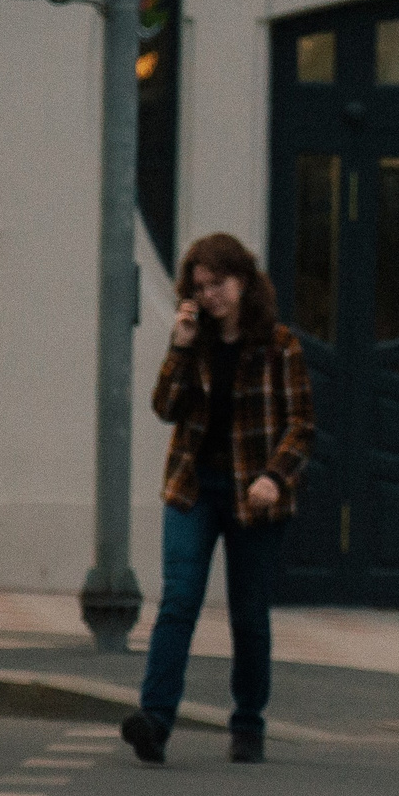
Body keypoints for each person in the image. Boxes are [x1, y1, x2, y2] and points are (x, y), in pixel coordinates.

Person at [121, 233, 315, 766]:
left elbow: (302, 426)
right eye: (200, 287)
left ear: (244, 281)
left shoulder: (280, 346)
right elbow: (165, 407)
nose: (210, 296)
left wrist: (275, 476)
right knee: (179, 601)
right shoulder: (196, 342)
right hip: (194, 490)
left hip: (255, 497)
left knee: (248, 614)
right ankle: (155, 721)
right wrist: (180, 346)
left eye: (219, 283)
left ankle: (248, 722)